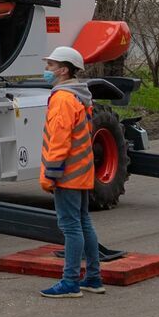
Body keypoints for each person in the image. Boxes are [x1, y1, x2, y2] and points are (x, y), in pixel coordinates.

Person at [36, 44, 104, 298]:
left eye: (51, 66)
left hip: (67, 174)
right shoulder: (78, 95)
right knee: (83, 224)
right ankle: (93, 278)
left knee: (71, 228)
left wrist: (51, 173)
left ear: (63, 70)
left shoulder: (63, 99)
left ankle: (70, 282)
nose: (47, 70)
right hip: (81, 173)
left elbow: (59, 139)